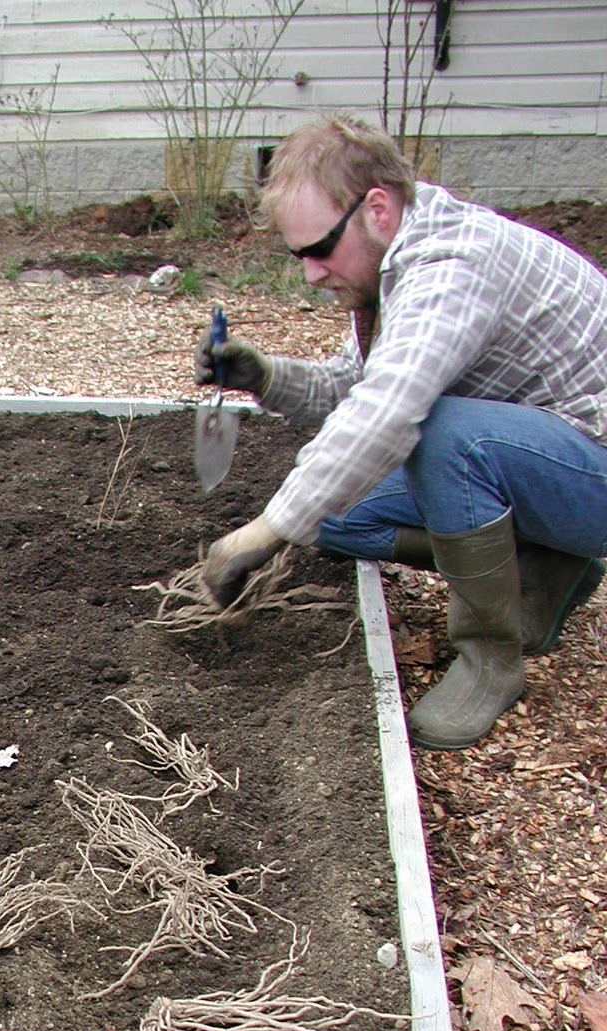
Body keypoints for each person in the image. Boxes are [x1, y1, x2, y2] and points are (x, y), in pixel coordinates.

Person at [195, 115, 607, 750]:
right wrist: (267, 376)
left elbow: (387, 410)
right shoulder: (396, 267)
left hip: (595, 465)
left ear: (377, 209)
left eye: (319, 249)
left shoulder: (451, 266)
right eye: (297, 255)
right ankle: (539, 566)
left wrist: (261, 533)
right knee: (333, 516)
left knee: (442, 435)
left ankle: (491, 661)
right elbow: (354, 386)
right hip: (551, 455)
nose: (310, 274)